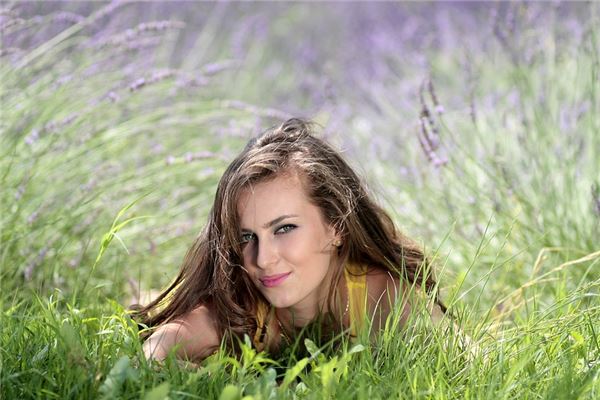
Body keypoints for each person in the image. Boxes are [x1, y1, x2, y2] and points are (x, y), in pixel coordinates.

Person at [137, 118, 446, 363]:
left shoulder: (383, 297)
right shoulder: (244, 306)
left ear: (336, 226)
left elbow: (462, 358)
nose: (262, 259)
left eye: (284, 228)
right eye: (247, 236)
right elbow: (157, 350)